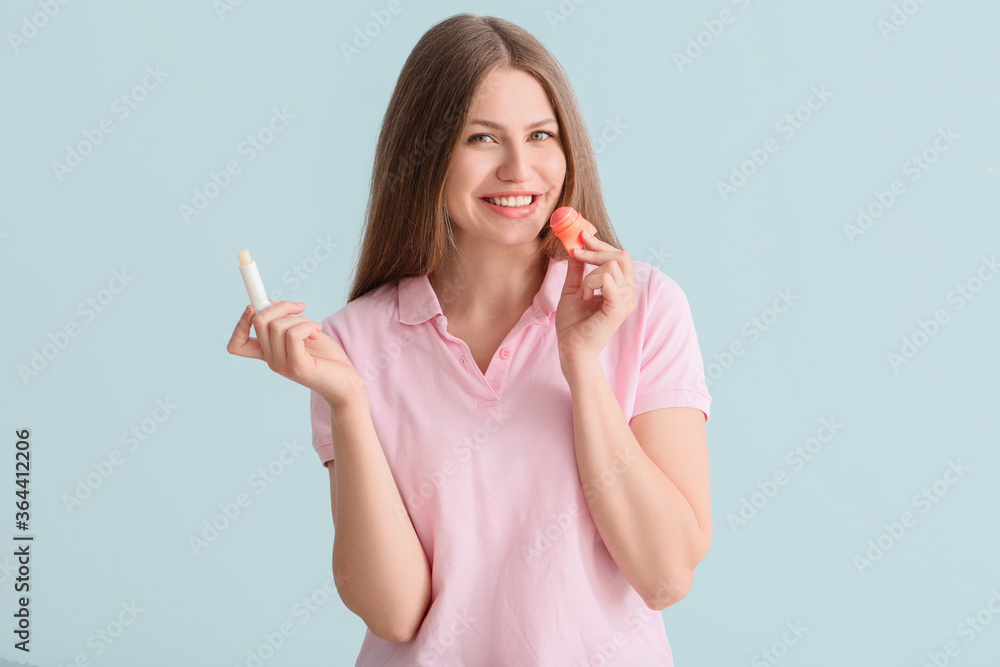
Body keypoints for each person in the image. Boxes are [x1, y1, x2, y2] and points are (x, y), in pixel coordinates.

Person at [227, 13, 712, 666]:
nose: (520, 168)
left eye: (541, 135)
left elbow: (665, 574)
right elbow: (395, 611)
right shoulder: (354, 345)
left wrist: (581, 364)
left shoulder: (646, 307)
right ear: (425, 154)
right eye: (482, 139)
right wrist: (348, 403)